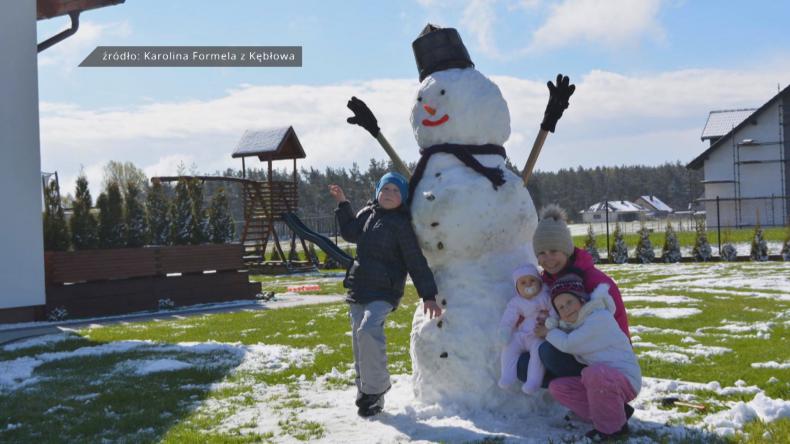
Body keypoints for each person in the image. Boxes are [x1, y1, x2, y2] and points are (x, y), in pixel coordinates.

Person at [330, 172, 442, 417]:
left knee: (368, 331)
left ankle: (377, 389)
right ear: (377, 192)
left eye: (396, 191)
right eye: (386, 189)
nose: (390, 194)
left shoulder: (402, 225)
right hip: (359, 287)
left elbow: (415, 261)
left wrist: (429, 295)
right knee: (359, 341)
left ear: (403, 197)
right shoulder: (367, 214)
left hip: (384, 291)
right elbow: (350, 233)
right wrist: (343, 203)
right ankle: (366, 393)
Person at [517, 204, 631, 385]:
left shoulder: (596, 282)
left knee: (548, 352)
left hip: (606, 360)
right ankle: (577, 396)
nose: (548, 259)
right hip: (575, 352)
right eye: (542, 253)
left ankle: (604, 393)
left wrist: (550, 331)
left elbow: (613, 330)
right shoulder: (545, 282)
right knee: (523, 366)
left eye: (554, 251)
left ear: (566, 250)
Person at [535, 274, 641, 440]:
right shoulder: (575, 324)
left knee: (594, 372)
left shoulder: (599, 318)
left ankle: (611, 430)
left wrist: (548, 332)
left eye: (569, 302)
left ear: (582, 300)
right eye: (561, 308)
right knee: (558, 387)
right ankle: (616, 412)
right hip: (601, 382)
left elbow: (569, 344)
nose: (566, 308)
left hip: (624, 381)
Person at [497, 263, 551, 394]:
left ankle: (533, 381)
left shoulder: (546, 297)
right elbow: (509, 317)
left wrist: (550, 324)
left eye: (532, 280)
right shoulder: (516, 302)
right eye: (523, 282)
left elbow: (554, 311)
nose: (528, 285)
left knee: (537, 352)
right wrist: (505, 330)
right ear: (517, 288)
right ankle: (507, 375)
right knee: (509, 347)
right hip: (521, 334)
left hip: (538, 335)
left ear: (539, 282)